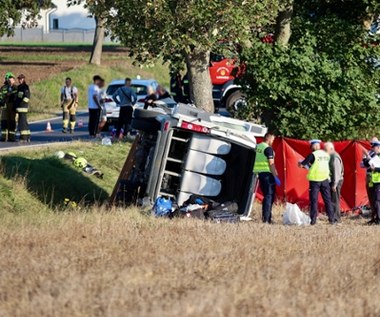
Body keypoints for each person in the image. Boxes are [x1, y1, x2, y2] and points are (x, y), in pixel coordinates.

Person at [298, 139, 335, 225]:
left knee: (314, 200)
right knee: (327, 200)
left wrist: (300, 164)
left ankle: (313, 220)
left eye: (311, 147)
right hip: (325, 180)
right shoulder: (326, 155)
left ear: (314, 146)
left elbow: (302, 164)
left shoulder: (312, 155)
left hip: (315, 181)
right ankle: (332, 219)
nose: (311, 148)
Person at [253, 133, 281, 223]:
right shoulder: (268, 149)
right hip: (268, 175)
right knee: (269, 196)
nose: (272, 141)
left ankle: (266, 217)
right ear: (269, 139)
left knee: (266, 196)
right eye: (272, 140)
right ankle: (266, 219)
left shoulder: (257, 147)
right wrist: (275, 176)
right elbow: (271, 164)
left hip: (259, 174)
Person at [324, 142, 344, 223]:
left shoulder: (334, 157)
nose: (325, 151)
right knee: (332, 200)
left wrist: (334, 185)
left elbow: (337, 172)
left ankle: (336, 219)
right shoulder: (330, 156)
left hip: (336, 181)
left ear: (331, 149)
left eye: (326, 150)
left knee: (335, 200)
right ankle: (332, 218)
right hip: (333, 181)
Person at [362, 137, 379, 224]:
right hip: (370, 177)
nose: (372, 146)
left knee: (377, 199)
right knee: (371, 198)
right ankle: (373, 217)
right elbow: (363, 164)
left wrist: (368, 158)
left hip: (377, 179)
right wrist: (366, 158)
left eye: (374, 144)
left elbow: (374, 164)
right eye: (372, 144)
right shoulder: (370, 153)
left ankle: (377, 217)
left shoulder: (376, 154)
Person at [0, 72, 17, 142]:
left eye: (12, 78)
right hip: (4, 107)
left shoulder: (15, 88)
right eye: (10, 78)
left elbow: (16, 97)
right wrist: (1, 101)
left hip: (12, 107)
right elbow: (0, 96)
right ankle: (3, 137)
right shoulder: (3, 88)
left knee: (12, 122)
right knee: (4, 122)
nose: (11, 80)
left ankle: (11, 137)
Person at [14, 74, 31, 142]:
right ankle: (27, 136)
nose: (20, 80)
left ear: (24, 79)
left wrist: (21, 104)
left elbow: (27, 97)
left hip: (23, 108)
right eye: (19, 79)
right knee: (23, 122)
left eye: (21, 79)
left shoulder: (25, 87)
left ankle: (23, 137)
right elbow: (17, 98)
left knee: (22, 123)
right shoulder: (19, 87)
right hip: (19, 108)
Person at [367, 140, 380, 225]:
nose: (372, 149)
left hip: (379, 182)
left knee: (378, 201)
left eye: (374, 147)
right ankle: (376, 218)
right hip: (374, 181)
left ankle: (379, 219)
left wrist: (375, 169)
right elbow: (364, 165)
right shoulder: (375, 156)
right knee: (375, 200)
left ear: (378, 147)